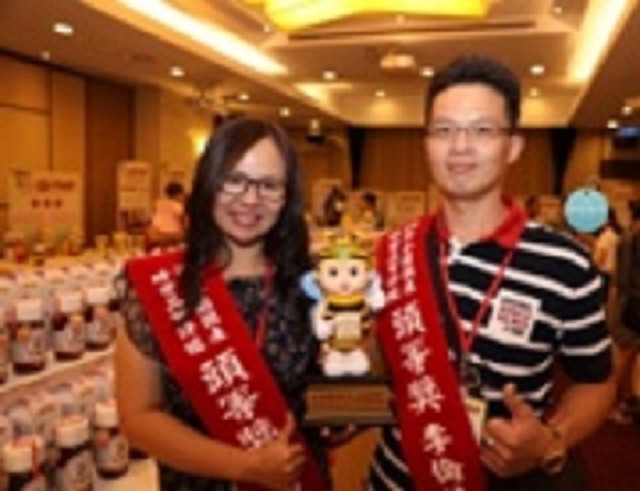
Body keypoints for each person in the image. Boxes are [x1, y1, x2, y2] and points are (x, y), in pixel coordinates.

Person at [368, 55, 615, 491]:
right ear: (427, 144)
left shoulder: (567, 264)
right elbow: (381, 363)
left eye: (482, 130)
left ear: (514, 146)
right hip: (394, 478)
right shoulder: (390, 252)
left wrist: (551, 441)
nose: (460, 146)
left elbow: (596, 381)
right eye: (444, 130)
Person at [117, 117, 329, 491]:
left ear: (287, 196)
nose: (250, 199)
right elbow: (138, 418)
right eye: (234, 180)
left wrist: (343, 414)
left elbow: (331, 391)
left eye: (269, 185)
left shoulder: (314, 284)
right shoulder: (159, 285)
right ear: (208, 183)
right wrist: (246, 467)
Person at [610, 200, 640, 423]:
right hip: (633, 301)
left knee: (625, 354)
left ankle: (623, 400)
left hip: (631, 301)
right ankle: (623, 401)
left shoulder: (628, 237)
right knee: (629, 355)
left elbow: (621, 279)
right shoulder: (630, 238)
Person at [146, 180, 187, 249]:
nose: (183, 197)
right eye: (182, 195)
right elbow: (183, 217)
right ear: (179, 194)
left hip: (158, 230)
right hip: (172, 233)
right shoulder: (177, 206)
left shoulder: (160, 204)